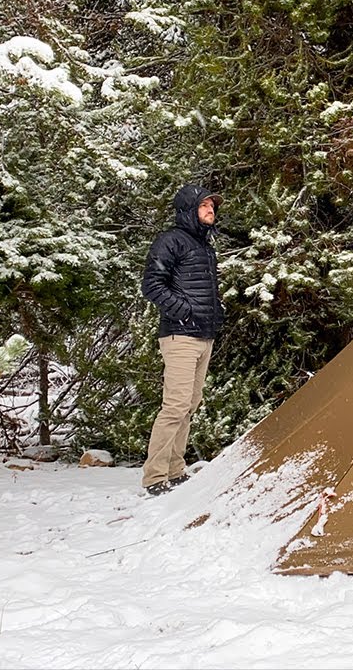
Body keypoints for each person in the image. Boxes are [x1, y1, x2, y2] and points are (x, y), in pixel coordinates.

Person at [139, 183, 225, 496]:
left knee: (189, 405)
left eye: (212, 207)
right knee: (175, 406)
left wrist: (216, 314)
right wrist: (185, 312)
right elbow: (152, 285)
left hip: (204, 335)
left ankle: (175, 471)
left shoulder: (204, 246)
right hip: (180, 335)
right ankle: (154, 477)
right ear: (189, 209)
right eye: (204, 206)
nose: (210, 211)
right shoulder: (171, 241)